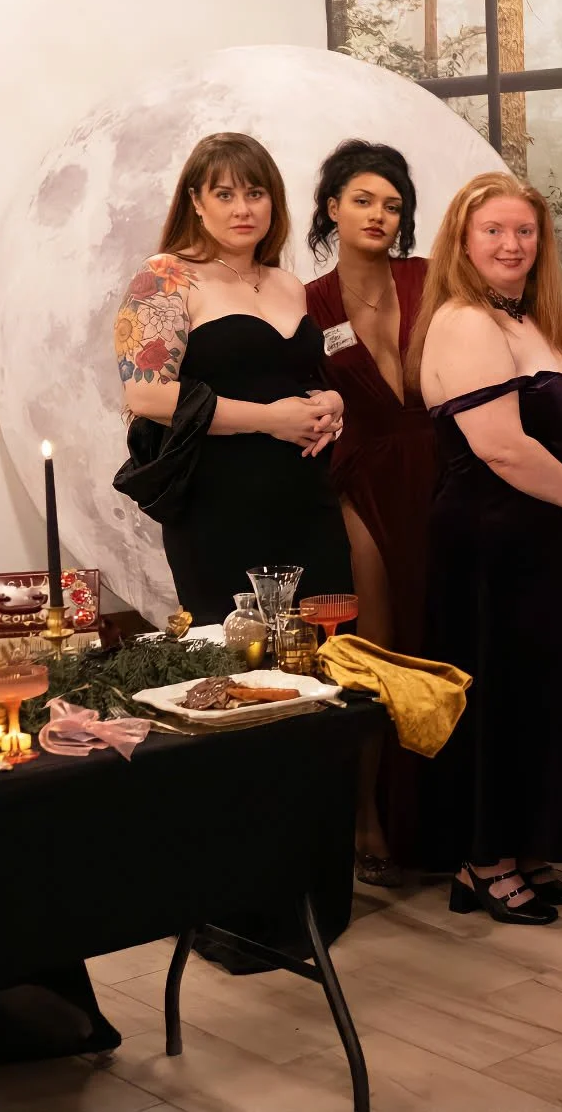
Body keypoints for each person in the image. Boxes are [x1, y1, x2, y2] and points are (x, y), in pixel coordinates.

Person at [416, 172, 562, 926]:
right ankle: (483, 859)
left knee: (542, 695)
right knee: (498, 697)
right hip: (489, 542)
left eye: (524, 231)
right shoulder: (465, 321)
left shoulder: (531, 317)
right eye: (494, 231)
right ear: (463, 242)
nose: (512, 244)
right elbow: (501, 447)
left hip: (545, 537)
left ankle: (527, 843)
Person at [115, 132, 351, 627]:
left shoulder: (289, 284)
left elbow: (292, 376)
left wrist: (330, 401)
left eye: (255, 193)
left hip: (307, 498)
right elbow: (147, 394)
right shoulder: (165, 276)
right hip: (216, 503)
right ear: (196, 202)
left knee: (326, 649)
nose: (242, 209)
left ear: (273, 201)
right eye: (224, 194)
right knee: (236, 656)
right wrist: (270, 420)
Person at [302, 140, 436, 887]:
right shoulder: (306, 302)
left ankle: (441, 817)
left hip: (442, 472)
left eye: (392, 204)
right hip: (360, 482)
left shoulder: (428, 278)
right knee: (376, 652)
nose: (379, 215)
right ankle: (365, 816)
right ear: (332, 208)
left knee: (442, 637)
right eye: (363, 200)